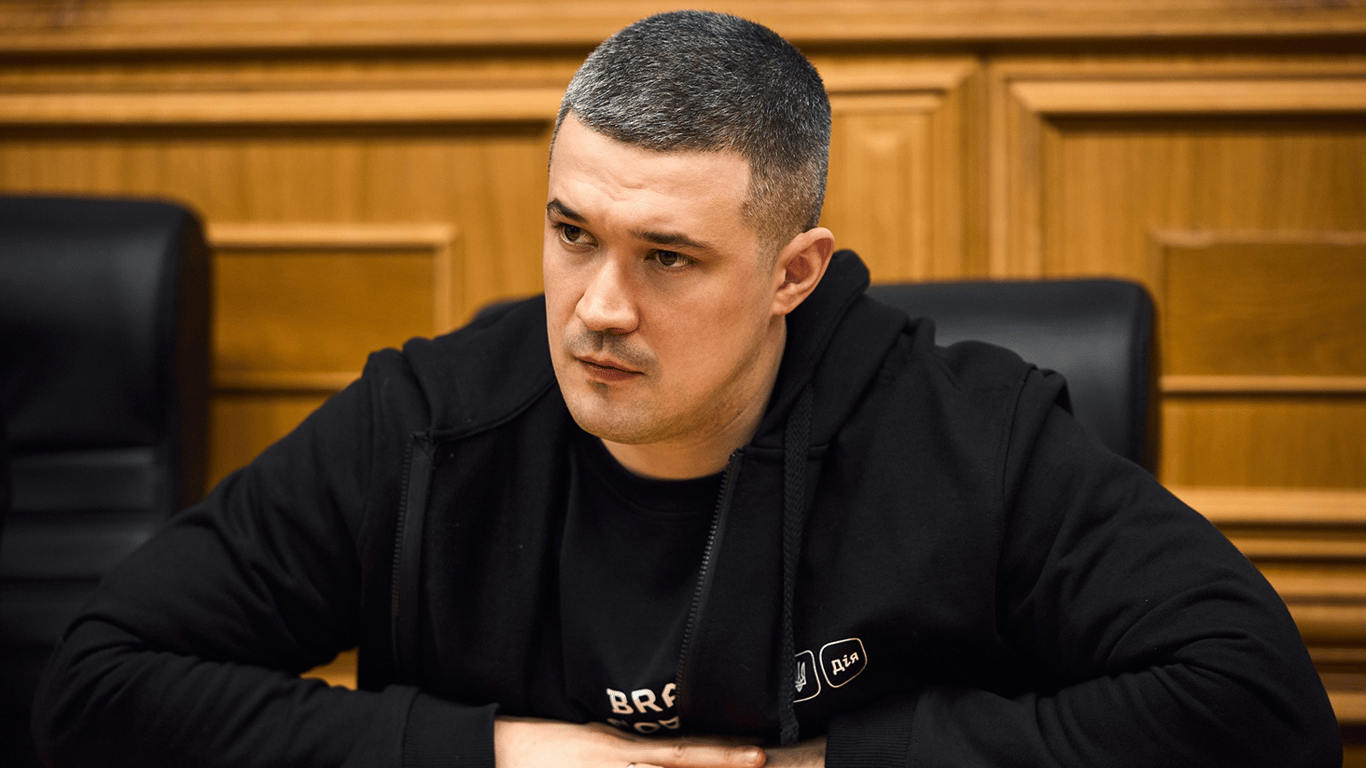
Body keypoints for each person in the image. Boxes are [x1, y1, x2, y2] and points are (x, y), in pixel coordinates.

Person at [32, 10, 1339, 768]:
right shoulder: (432, 420)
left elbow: (1258, 701)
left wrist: (830, 766)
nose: (599, 306)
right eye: (571, 233)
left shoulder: (965, 434)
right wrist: (500, 753)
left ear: (792, 273)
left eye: (667, 257)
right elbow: (98, 683)